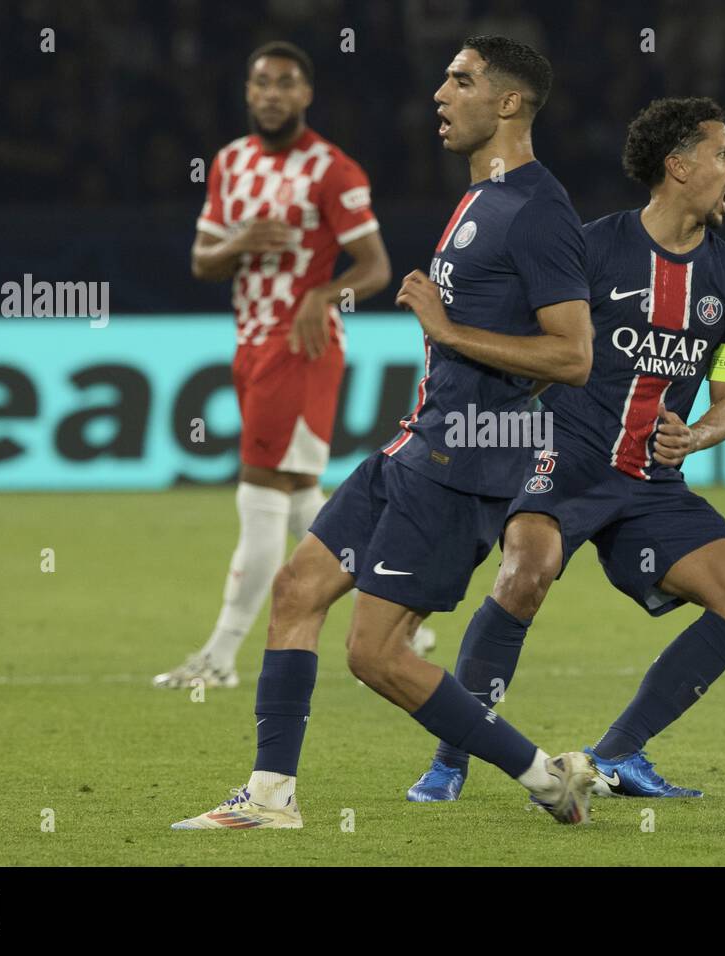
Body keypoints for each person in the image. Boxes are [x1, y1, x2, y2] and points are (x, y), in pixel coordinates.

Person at [174, 36, 598, 829]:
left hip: (460, 465)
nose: (439, 93)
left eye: (461, 81)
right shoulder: (480, 196)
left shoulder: (537, 210)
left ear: (508, 103)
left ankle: (544, 777)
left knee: (374, 655)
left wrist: (445, 327)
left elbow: (573, 353)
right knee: (296, 590)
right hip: (418, 443)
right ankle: (270, 797)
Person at [406, 97, 725, 802]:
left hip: (652, 479)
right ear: (679, 165)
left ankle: (617, 757)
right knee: (525, 574)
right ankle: (450, 761)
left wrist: (693, 435)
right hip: (566, 454)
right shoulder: (592, 247)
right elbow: (538, 347)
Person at [153, 42, 437, 691]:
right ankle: (403, 604)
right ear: (248, 92)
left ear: (306, 94)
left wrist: (321, 294)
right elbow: (202, 261)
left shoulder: (331, 170)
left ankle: (220, 656)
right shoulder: (229, 163)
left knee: (259, 495)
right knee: (303, 498)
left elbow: (375, 267)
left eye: (286, 83)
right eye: (261, 83)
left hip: (300, 345)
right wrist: (240, 242)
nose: (272, 94)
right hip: (250, 341)